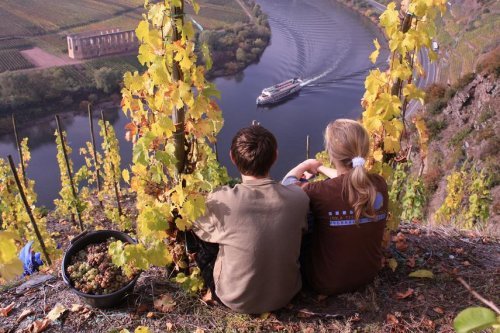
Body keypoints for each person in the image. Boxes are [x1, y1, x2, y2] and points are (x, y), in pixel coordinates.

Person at [192, 125, 309, 314]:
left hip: (234, 299)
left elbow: (198, 228)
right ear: (275, 156)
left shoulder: (220, 200)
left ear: (231, 156)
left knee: (207, 238)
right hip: (286, 293)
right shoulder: (299, 198)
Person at [283, 119, 389, 295]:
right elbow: (350, 179)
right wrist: (322, 168)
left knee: (304, 220)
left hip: (325, 282)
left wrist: (305, 165)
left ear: (332, 154)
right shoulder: (379, 185)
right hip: (368, 275)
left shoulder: (319, 191)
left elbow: (286, 186)